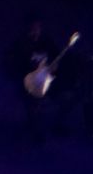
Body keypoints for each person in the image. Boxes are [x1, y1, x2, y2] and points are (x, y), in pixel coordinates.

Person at [8, 15, 59, 144]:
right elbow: (16, 64)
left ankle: (51, 126)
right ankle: (35, 130)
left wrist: (53, 67)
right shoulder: (22, 44)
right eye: (32, 29)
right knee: (34, 103)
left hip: (45, 80)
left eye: (37, 28)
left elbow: (56, 58)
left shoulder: (46, 42)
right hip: (28, 81)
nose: (35, 32)